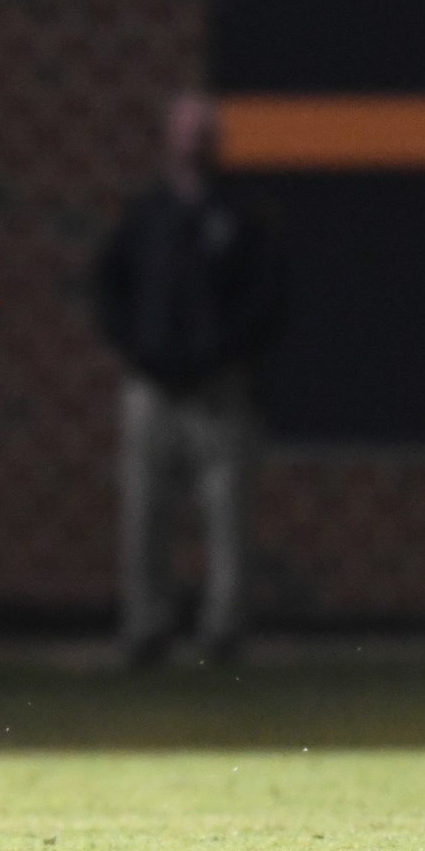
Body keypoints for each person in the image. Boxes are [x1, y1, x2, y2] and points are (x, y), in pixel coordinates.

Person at [92, 92, 281, 668]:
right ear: (169, 138)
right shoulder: (146, 213)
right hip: (152, 387)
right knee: (144, 511)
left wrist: (223, 354)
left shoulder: (242, 214)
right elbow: (110, 288)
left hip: (219, 390)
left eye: (203, 132)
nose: (194, 142)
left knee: (227, 513)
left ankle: (224, 631)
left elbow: (268, 298)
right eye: (185, 131)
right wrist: (138, 350)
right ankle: (147, 627)